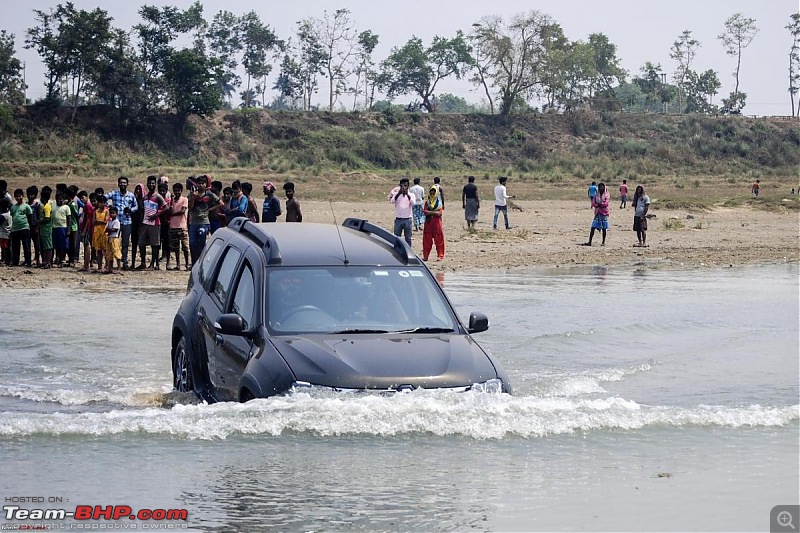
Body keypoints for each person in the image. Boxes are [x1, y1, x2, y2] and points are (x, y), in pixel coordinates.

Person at [187, 175, 223, 266]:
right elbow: (190, 209)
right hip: (194, 223)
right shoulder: (192, 194)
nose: (201, 185)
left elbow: (221, 203)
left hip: (204, 222)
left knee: (201, 243)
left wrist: (210, 209)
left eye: (203, 183)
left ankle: (201, 262)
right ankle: (194, 263)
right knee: (192, 243)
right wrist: (193, 198)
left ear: (206, 184)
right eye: (199, 183)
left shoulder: (209, 194)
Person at [107, 176, 137, 270]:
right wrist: (110, 208)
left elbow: (136, 206)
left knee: (125, 243)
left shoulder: (131, 195)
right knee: (113, 242)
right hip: (116, 223)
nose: (122, 184)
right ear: (118, 184)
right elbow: (104, 198)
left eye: (124, 182)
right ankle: (112, 262)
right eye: (121, 182)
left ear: (127, 184)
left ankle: (124, 262)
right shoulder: (114, 193)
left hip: (127, 222)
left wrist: (130, 210)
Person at [137, 175, 167, 270]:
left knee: (155, 244)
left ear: (155, 184)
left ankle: (152, 264)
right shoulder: (145, 197)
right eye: (149, 183)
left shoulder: (158, 196)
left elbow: (166, 208)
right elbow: (142, 211)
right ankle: (143, 263)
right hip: (145, 223)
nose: (151, 184)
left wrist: (156, 215)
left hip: (155, 223)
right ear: (147, 184)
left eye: (153, 183)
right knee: (141, 243)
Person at [168, 182, 189, 271]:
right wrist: (172, 201)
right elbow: (170, 210)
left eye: (178, 191)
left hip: (182, 226)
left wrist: (173, 214)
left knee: (185, 247)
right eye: (175, 191)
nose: (177, 192)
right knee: (176, 248)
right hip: (173, 226)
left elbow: (182, 211)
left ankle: (187, 264)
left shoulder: (184, 199)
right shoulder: (171, 200)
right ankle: (178, 264)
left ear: (181, 191)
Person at [9, 189, 34, 267]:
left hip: (24, 228)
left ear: (23, 196)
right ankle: (15, 261)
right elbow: (13, 217)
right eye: (16, 196)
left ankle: (27, 261)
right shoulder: (13, 207)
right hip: (15, 229)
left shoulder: (26, 206)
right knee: (15, 247)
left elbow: (30, 218)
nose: (18, 198)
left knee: (26, 246)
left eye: (19, 196)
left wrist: (30, 228)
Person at [582, 182, 610, 246]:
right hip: (597, 212)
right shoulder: (596, 195)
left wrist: (601, 205)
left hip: (604, 213)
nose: (601, 188)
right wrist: (597, 205)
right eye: (600, 187)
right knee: (593, 227)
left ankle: (603, 242)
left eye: (602, 187)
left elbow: (606, 203)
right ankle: (590, 241)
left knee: (604, 228)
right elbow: (593, 202)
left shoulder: (607, 195)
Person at [388, 178, 414, 245]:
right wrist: (399, 194)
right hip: (398, 219)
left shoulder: (411, 194)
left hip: (408, 219)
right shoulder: (396, 194)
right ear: (400, 186)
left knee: (408, 238)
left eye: (405, 185)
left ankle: (408, 253)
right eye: (402, 186)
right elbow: (392, 201)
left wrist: (407, 194)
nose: (404, 187)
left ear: (408, 186)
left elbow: (413, 203)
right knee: (397, 237)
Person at [422, 185, 445, 261]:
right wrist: (434, 212)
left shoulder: (439, 203)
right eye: (431, 194)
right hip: (428, 224)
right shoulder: (427, 202)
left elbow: (440, 213)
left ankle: (440, 255)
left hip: (437, 224)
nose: (432, 195)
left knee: (439, 240)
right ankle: (426, 256)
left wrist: (430, 212)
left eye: (433, 194)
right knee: (427, 241)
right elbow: (425, 212)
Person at [77, 191, 95, 272]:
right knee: (86, 245)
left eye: (82, 198)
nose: (81, 199)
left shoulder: (88, 206)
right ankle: (86, 264)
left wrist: (84, 230)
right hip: (85, 227)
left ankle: (86, 265)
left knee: (86, 245)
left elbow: (88, 219)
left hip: (86, 228)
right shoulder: (86, 205)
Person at [52, 192, 72, 267]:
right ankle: (57, 259)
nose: (59, 201)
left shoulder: (66, 207)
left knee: (64, 245)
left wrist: (69, 230)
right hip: (55, 227)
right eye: (58, 199)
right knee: (56, 245)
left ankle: (63, 259)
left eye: (61, 199)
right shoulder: (53, 207)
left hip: (63, 228)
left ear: (63, 200)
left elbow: (69, 219)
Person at [38, 186, 54, 269]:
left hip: (47, 229)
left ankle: (48, 262)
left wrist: (38, 221)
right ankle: (46, 261)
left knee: (48, 247)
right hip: (44, 230)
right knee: (45, 246)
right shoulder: (45, 206)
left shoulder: (46, 207)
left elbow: (47, 218)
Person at [130, 183, 144, 270]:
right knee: (134, 244)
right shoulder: (133, 200)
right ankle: (133, 263)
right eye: (136, 189)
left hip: (141, 224)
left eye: (139, 189)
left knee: (142, 244)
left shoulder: (144, 200)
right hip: (133, 224)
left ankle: (143, 262)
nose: (138, 191)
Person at [92, 196, 109, 273]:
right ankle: (99, 266)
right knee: (98, 250)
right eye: (100, 203)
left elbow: (106, 221)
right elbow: (93, 221)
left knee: (105, 250)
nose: (102, 204)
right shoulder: (96, 211)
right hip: (97, 233)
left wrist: (98, 221)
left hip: (104, 232)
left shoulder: (106, 211)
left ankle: (107, 265)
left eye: (103, 203)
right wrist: (99, 221)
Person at [26, 186, 41, 267]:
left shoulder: (37, 205)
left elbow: (38, 217)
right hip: (27, 227)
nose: (30, 196)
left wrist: (38, 227)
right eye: (29, 194)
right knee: (27, 244)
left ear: (35, 195)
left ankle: (37, 258)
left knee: (36, 244)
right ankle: (28, 259)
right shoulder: (26, 205)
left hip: (35, 226)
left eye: (32, 195)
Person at [104, 206, 122, 274]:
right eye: (111, 213)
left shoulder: (117, 222)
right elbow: (107, 229)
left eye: (113, 213)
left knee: (116, 253)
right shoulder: (110, 222)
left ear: (116, 214)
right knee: (109, 254)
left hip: (115, 239)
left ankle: (119, 268)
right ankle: (110, 268)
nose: (112, 214)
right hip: (109, 238)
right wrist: (108, 230)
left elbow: (114, 229)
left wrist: (108, 229)